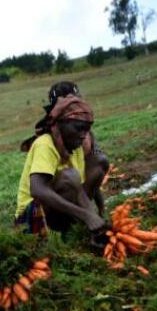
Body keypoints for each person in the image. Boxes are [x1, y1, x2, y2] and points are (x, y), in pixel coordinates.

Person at [14, 94, 107, 241]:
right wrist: (86, 215)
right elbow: (37, 189)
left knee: (93, 165)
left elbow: (79, 191)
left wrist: (95, 218)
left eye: (87, 130)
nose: (84, 135)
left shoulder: (74, 147)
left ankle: (75, 232)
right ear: (60, 125)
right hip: (32, 217)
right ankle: (62, 232)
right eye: (79, 128)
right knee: (70, 176)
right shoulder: (45, 144)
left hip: (55, 210)